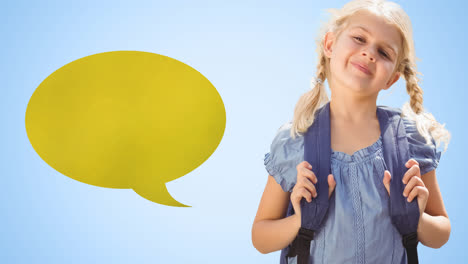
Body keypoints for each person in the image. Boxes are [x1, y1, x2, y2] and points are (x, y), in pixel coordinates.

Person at [251, 0, 451, 263]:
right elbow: (260, 237)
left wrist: (419, 218)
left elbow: (441, 233)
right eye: (359, 38)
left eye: (384, 52)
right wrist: (298, 220)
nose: (369, 53)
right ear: (330, 45)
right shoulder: (294, 141)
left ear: (392, 79)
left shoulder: (408, 140)